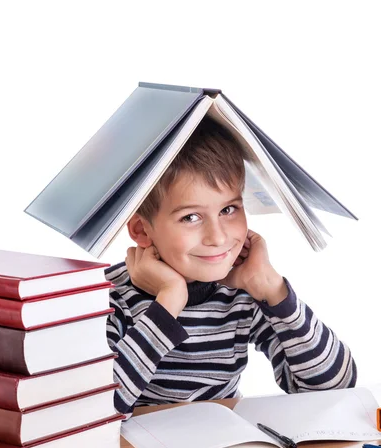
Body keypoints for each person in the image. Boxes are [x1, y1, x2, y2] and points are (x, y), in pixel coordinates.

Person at [105, 118, 356, 417]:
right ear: (142, 231)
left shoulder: (241, 291)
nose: (219, 237)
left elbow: (335, 389)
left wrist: (273, 290)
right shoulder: (108, 297)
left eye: (228, 209)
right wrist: (168, 301)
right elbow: (97, 411)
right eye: (190, 217)